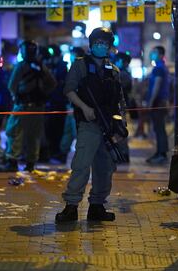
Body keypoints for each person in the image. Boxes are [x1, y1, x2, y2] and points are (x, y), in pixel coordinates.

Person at [56, 27, 127, 223]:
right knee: (81, 165)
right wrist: (85, 108)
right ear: (91, 44)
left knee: (105, 168)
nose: (101, 46)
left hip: (109, 125)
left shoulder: (113, 70)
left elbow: (120, 99)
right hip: (89, 124)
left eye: (105, 43)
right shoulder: (80, 65)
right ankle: (71, 206)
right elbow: (69, 90)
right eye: (97, 43)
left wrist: (122, 123)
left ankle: (97, 206)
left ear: (110, 46)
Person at [1, 40, 57, 172]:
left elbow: (11, 86)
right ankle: (31, 163)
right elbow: (53, 83)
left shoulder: (21, 66)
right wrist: (44, 95)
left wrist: (16, 98)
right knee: (34, 135)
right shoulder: (41, 66)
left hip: (23, 106)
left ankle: (12, 161)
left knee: (14, 132)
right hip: (38, 107)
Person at [146, 46, 170, 164]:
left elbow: (157, 85)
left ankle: (161, 154)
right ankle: (160, 152)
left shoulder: (159, 68)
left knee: (159, 128)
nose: (152, 54)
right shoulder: (161, 67)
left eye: (154, 52)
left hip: (158, 102)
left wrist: (150, 101)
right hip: (160, 102)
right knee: (159, 128)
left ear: (161, 55)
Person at [46, 44, 69, 161]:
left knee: (58, 129)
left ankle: (56, 151)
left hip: (59, 102)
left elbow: (59, 83)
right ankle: (52, 150)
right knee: (50, 129)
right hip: (51, 102)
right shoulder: (51, 65)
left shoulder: (61, 66)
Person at [114, 52, 133, 163]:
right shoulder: (124, 73)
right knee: (118, 130)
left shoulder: (123, 75)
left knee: (120, 130)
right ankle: (122, 154)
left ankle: (123, 155)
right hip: (119, 106)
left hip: (119, 106)